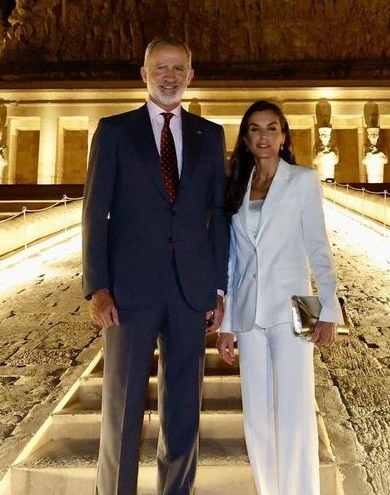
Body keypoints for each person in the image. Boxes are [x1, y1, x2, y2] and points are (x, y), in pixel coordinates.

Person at [83, 35, 229, 495]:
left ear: (191, 76)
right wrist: (98, 286)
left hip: (191, 291)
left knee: (184, 411)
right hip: (128, 292)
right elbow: (95, 212)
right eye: (160, 69)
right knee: (122, 409)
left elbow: (218, 218)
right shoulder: (114, 131)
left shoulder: (211, 135)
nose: (170, 77)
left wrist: (219, 290)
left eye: (178, 69)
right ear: (145, 75)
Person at [217, 100, 340, 495]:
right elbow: (234, 258)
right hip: (248, 311)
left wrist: (329, 310)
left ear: (284, 135)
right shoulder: (236, 184)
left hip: (297, 309)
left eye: (272, 128)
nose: (264, 136)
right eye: (255, 129)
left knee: (296, 411)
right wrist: (226, 325)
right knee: (256, 414)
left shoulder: (303, 180)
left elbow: (318, 249)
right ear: (246, 137)